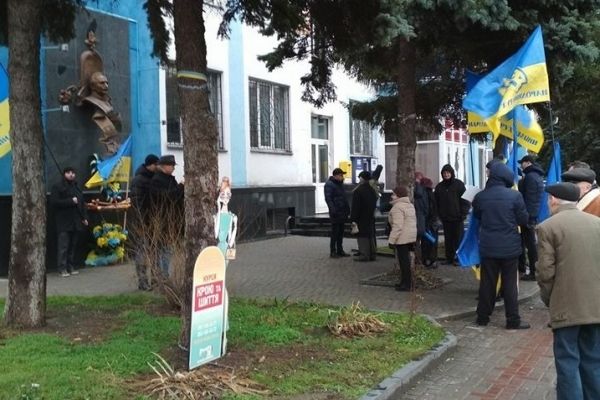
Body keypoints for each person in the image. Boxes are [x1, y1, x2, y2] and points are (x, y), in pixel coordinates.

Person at [536, 182, 600, 400]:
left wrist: (550, 300)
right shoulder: (596, 223)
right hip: (595, 306)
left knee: (567, 362)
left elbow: (545, 273)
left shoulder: (548, 227)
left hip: (566, 307)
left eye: (548, 199)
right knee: (593, 359)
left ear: (554, 199)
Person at [472, 162, 529, 329]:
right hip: (510, 247)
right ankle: (513, 320)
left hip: (488, 246)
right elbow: (523, 219)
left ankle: (482, 317)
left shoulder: (481, 196)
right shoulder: (515, 196)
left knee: (487, 283)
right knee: (510, 284)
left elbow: (477, 216)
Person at [50, 167, 89, 277]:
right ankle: (62, 268)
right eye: (68, 173)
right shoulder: (57, 187)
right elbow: (54, 202)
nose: (71, 174)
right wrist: (70, 201)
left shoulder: (76, 187)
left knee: (72, 246)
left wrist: (84, 217)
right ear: (64, 174)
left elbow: (82, 204)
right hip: (64, 222)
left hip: (76, 222)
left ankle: (70, 266)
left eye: (73, 173)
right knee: (64, 246)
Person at [150, 155, 184, 276]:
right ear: (163, 166)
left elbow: (177, 197)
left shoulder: (170, 179)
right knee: (164, 249)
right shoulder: (157, 180)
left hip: (172, 219)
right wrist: (181, 186)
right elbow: (167, 197)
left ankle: (163, 275)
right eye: (171, 165)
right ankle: (163, 276)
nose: (174, 168)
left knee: (168, 249)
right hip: (163, 220)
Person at [130, 154, 159, 290]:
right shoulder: (139, 180)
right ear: (151, 165)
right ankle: (143, 281)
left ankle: (155, 279)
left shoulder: (152, 178)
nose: (158, 167)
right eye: (156, 165)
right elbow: (137, 204)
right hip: (142, 221)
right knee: (142, 252)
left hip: (153, 221)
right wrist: (142, 222)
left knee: (154, 252)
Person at [434, 164, 469, 265]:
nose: (446, 175)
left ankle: (458, 259)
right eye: (444, 173)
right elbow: (436, 202)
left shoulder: (459, 184)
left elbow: (465, 200)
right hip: (445, 218)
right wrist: (439, 215)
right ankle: (449, 258)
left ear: (452, 173)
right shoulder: (439, 187)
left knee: (458, 239)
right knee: (448, 239)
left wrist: (463, 213)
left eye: (448, 173)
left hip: (458, 218)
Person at [517, 155, 544, 280]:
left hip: (528, 216)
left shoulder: (530, 177)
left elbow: (529, 199)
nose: (520, 165)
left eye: (522, 163)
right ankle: (529, 269)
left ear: (528, 163)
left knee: (529, 244)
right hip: (532, 215)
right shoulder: (536, 175)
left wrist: (526, 217)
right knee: (529, 243)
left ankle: (533, 272)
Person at [387, 186, 417, 291]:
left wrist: (391, 240)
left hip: (402, 238)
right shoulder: (410, 205)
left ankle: (406, 284)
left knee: (403, 262)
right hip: (410, 236)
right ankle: (405, 282)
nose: (392, 196)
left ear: (398, 195)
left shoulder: (397, 207)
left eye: (394, 194)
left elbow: (397, 226)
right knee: (406, 261)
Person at [351, 170, 378, 261]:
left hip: (361, 217)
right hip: (370, 216)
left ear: (362, 178)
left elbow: (356, 206)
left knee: (362, 236)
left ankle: (364, 255)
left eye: (360, 178)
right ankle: (372, 254)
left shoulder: (359, 190)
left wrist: (353, 219)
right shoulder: (372, 190)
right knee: (370, 235)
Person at [324, 168, 351, 258]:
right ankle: (333, 251)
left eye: (342, 175)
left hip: (342, 211)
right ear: (335, 176)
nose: (342, 177)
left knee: (341, 232)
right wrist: (333, 210)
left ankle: (340, 250)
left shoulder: (340, 184)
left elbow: (344, 198)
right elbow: (328, 198)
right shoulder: (329, 184)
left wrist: (347, 209)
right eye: (340, 175)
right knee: (335, 232)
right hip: (336, 212)